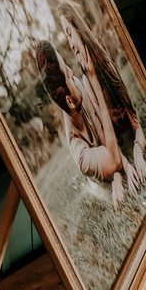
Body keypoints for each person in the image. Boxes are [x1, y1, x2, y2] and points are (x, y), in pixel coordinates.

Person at [55, 2, 146, 189]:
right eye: (66, 37)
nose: (71, 45)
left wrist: (138, 152)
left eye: (69, 34)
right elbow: (106, 142)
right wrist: (126, 166)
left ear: (79, 30)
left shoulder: (107, 66)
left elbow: (136, 125)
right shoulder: (86, 83)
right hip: (108, 151)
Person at [35, 40, 132, 208]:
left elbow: (106, 139)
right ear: (69, 102)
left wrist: (118, 175)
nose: (73, 72)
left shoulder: (77, 89)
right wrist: (93, 81)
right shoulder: (81, 157)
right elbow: (114, 159)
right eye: (68, 74)